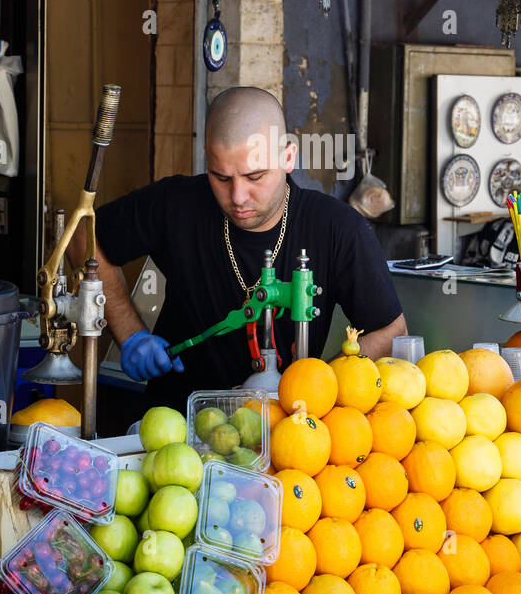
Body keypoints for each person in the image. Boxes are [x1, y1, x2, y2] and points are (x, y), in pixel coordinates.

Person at [73, 86, 407, 413]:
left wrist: (314, 388)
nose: (238, 197)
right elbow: (81, 237)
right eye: (221, 177)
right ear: (208, 157)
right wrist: (130, 333)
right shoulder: (175, 204)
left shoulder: (337, 228)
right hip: (177, 429)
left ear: (288, 156)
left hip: (288, 436)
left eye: (255, 176)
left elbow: (389, 331)